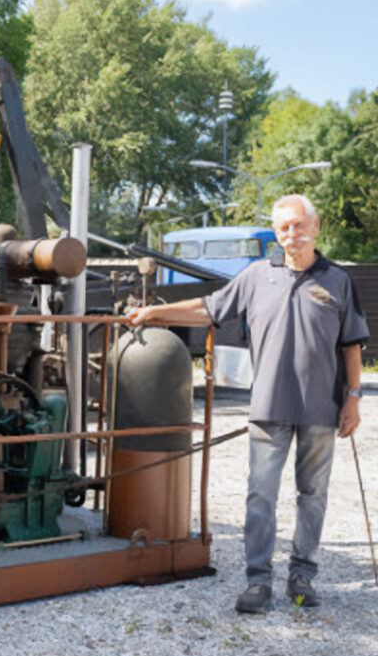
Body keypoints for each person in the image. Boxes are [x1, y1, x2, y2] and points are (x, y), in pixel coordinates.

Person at [129, 194, 368, 613]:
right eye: (283, 228)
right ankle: (258, 581)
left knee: (313, 494)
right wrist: (154, 314)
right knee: (260, 495)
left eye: (298, 225)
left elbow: (351, 347)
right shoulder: (257, 276)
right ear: (276, 233)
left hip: (322, 409)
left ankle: (302, 576)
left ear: (314, 227)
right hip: (268, 406)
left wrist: (353, 400)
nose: (290, 234)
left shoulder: (337, 280)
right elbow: (209, 310)